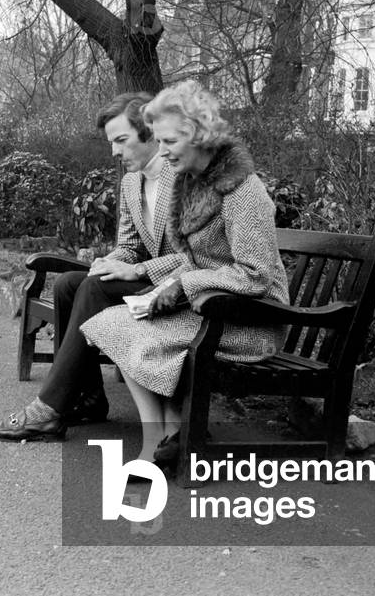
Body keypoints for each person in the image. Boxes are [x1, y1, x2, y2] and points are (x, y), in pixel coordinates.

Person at [80, 79, 290, 469]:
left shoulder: (243, 190)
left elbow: (256, 275)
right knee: (114, 323)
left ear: (196, 134)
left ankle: (161, 442)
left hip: (253, 319)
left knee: (135, 331)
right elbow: (191, 258)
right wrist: (160, 290)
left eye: (169, 143)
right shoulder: (191, 185)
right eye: (158, 142)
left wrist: (181, 286)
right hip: (211, 308)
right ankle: (164, 434)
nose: (161, 152)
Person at [0, 92, 185, 442]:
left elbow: (194, 256)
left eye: (121, 140)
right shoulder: (131, 182)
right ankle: (88, 398)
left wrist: (137, 271)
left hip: (177, 287)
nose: (115, 152)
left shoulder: (182, 174)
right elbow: (131, 245)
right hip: (147, 281)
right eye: (111, 143)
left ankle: (47, 410)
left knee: (93, 288)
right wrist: (112, 261)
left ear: (149, 133)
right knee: (70, 284)